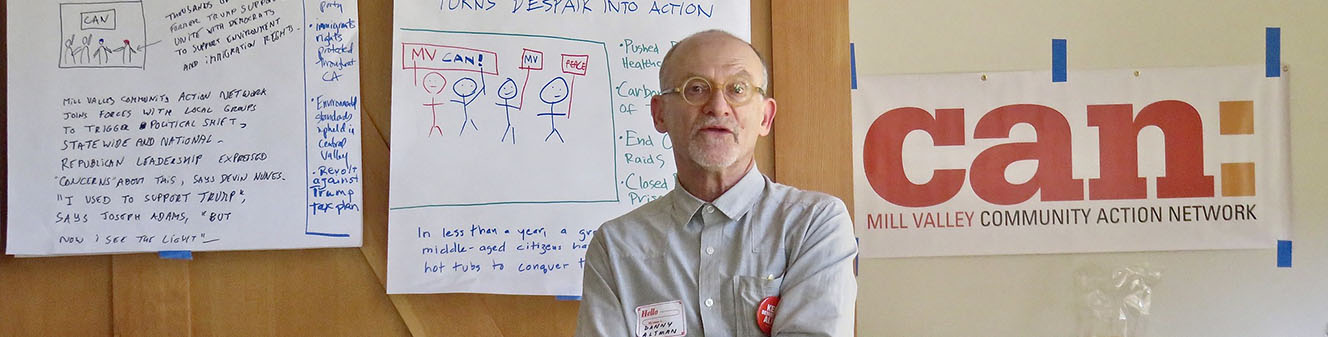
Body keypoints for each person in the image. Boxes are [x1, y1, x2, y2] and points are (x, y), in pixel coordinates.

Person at [575, 30, 857, 337]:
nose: (718, 106)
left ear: (765, 117)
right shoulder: (617, 247)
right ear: (659, 114)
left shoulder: (813, 224)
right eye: (695, 89)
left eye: (738, 89)